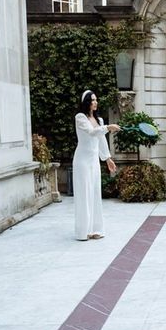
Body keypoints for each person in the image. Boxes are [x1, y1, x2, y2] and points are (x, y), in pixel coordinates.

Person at [72, 90, 120, 241]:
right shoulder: (80, 118)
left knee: (94, 193)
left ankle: (95, 229)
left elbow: (100, 140)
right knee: (84, 194)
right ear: (86, 102)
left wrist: (107, 159)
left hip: (94, 161)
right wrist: (108, 127)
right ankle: (83, 231)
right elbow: (92, 133)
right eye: (92, 100)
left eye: (96, 100)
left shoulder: (98, 119)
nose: (95, 102)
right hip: (82, 161)